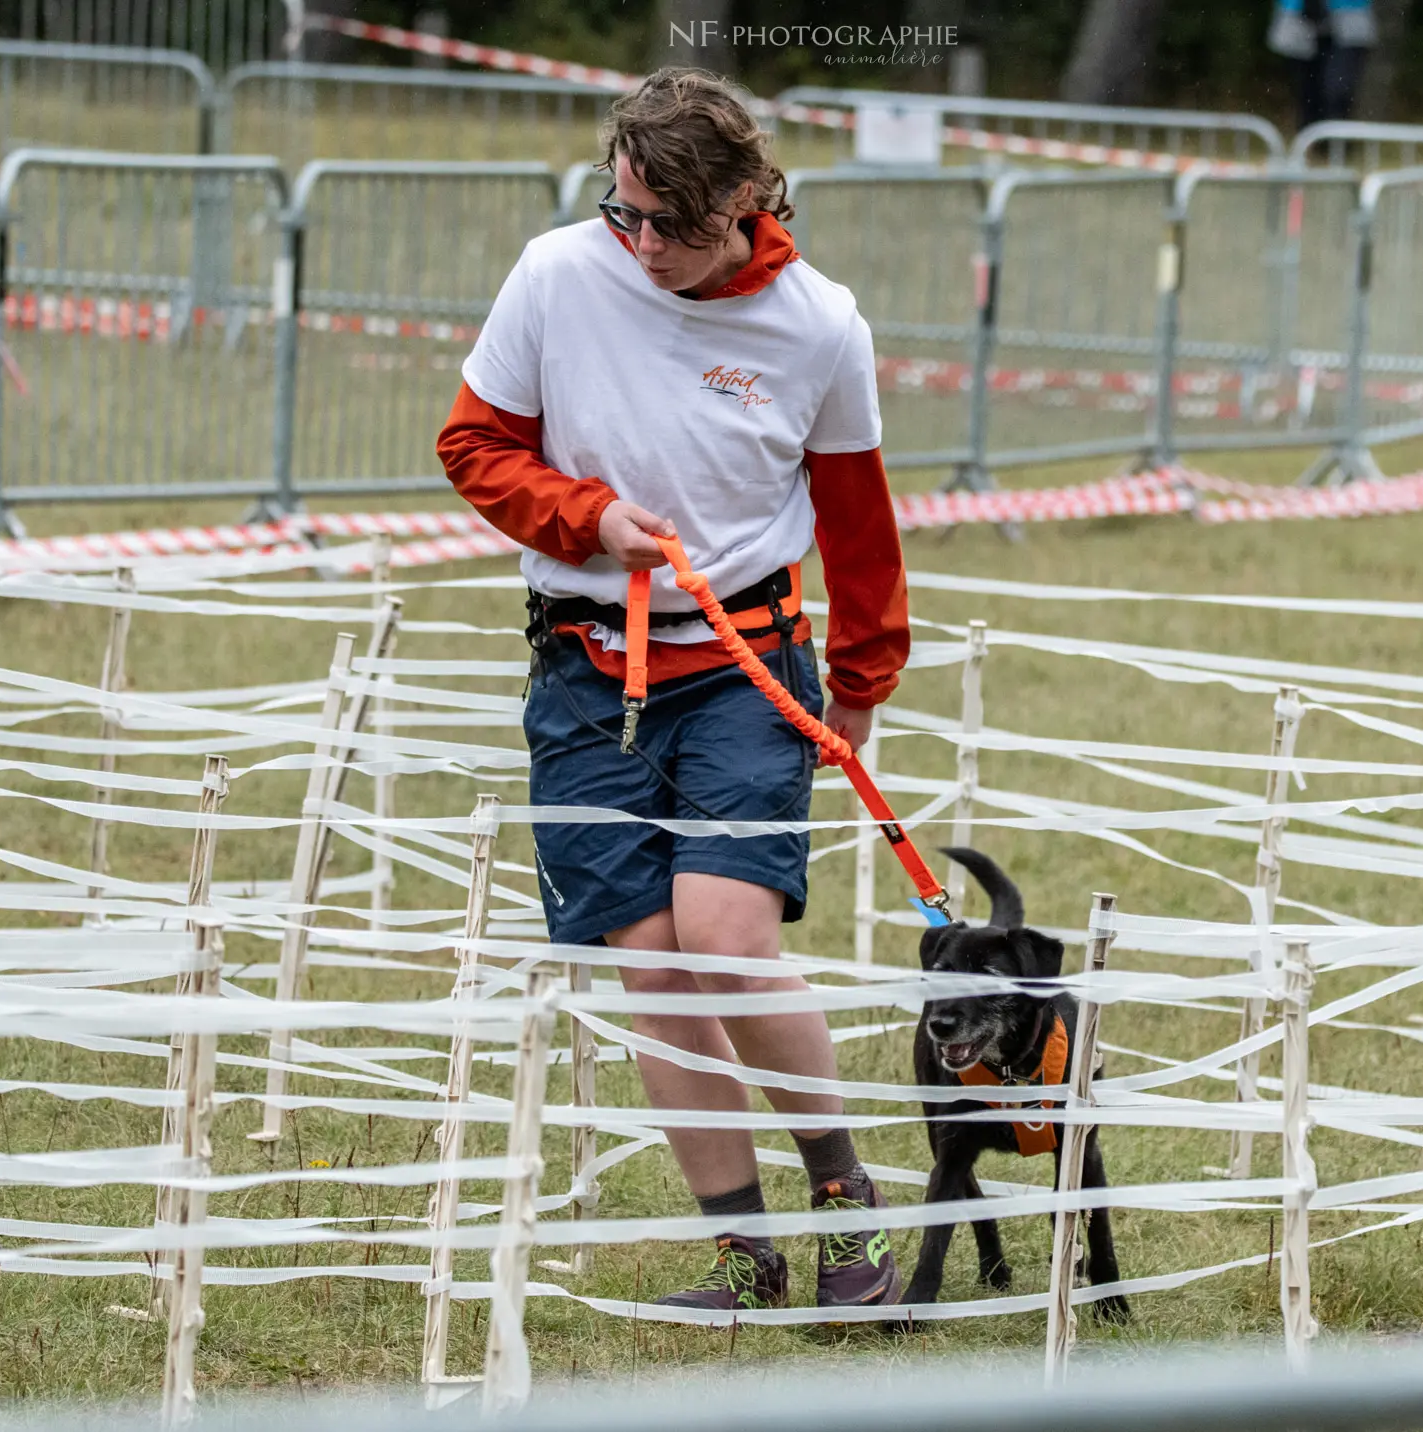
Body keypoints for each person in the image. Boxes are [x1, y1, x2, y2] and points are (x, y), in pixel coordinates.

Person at [436, 68, 910, 1313]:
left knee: (726, 941)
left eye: (669, 224)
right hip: (584, 667)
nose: (639, 244)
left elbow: (859, 526)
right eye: (624, 211)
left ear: (743, 202)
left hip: (744, 669)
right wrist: (585, 518)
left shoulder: (820, 326)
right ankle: (741, 1257)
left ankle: (846, 1212)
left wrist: (859, 682)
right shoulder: (555, 273)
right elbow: (473, 446)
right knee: (648, 964)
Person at [1269, 0, 1375, 129]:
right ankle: (1312, 141)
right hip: (1298, 16)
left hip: (1349, 15)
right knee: (1306, 94)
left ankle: (1336, 140)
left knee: (1337, 92)